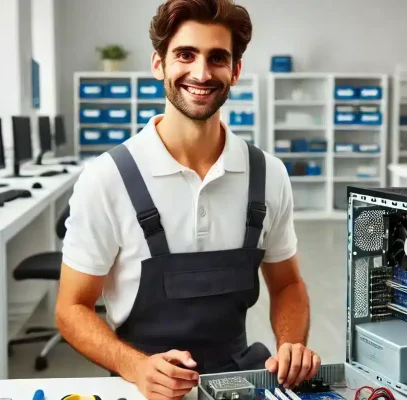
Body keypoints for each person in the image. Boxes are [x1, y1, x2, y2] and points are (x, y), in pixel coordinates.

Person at [55, 0, 320, 399]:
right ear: (159, 64)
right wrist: (136, 366)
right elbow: (71, 308)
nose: (201, 73)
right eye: (185, 54)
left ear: (235, 71)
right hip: (143, 386)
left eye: (217, 58)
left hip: (240, 381)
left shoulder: (268, 175)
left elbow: (288, 285)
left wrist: (290, 345)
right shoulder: (107, 178)